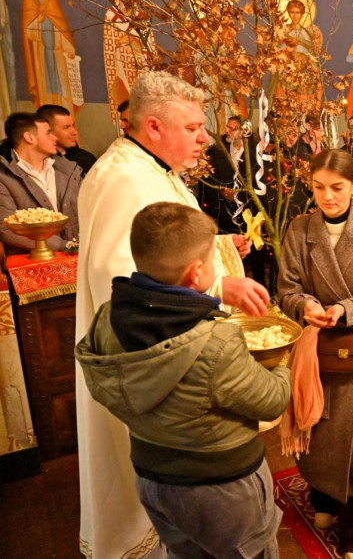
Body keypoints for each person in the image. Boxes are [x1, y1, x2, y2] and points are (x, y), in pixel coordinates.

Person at [75, 71, 267, 559]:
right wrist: (220, 284)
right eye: (194, 127)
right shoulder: (123, 178)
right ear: (154, 126)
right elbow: (122, 281)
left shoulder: (150, 167)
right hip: (148, 369)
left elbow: (160, 252)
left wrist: (218, 248)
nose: (205, 137)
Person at [76, 202, 290, 558]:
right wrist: (283, 361)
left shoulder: (107, 316)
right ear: (196, 273)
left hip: (153, 477)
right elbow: (272, 400)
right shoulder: (215, 343)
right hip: (221, 486)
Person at [278, 149, 353, 559]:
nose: (327, 197)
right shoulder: (299, 228)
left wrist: (346, 310)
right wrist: (305, 306)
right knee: (319, 429)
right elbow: (287, 289)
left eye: (337, 188)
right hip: (317, 345)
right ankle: (325, 502)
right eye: (318, 188)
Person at [0, 112, 80, 254]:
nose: (54, 137)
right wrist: (64, 246)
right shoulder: (4, 177)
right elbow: (6, 228)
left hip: (76, 258)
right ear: (29, 137)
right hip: (32, 264)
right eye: (48, 133)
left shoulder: (69, 169)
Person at [37, 104, 97, 175]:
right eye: (66, 127)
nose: (75, 132)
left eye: (73, 126)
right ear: (48, 130)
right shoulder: (38, 162)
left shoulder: (86, 160)